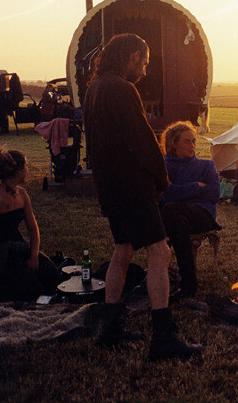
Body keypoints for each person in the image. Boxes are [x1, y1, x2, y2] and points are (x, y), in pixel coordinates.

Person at [83, 33, 201, 362]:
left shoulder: (95, 89)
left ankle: (110, 329)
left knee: (122, 251)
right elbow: (143, 140)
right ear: (133, 56)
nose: (145, 70)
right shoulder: (122, 89)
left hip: (110, 187)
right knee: (160, 253)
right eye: (145, 62)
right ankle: (163, 338)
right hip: (133, 188)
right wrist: (161, 179)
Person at [0, 149, 61, 301]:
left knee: (55, 278)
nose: (28, 170)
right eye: (26, 167)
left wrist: (34, 256)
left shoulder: (21, 194)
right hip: (2, 257)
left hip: (20, 248)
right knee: (34, 291)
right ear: (17, 170)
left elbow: (33, 229)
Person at [159, 121, 221, 301]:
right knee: (178, 222)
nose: (192, 146)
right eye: (187, 142)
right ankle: (189, 282)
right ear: (173, 143)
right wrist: (196, 187)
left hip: (202, 215)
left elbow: (214, 194)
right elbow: (166, 194)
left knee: (170, 210)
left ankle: (161, 271)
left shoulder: (206, 166)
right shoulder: (165, 166)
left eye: (193, 141)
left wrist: (179, 190)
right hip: (177, 216)